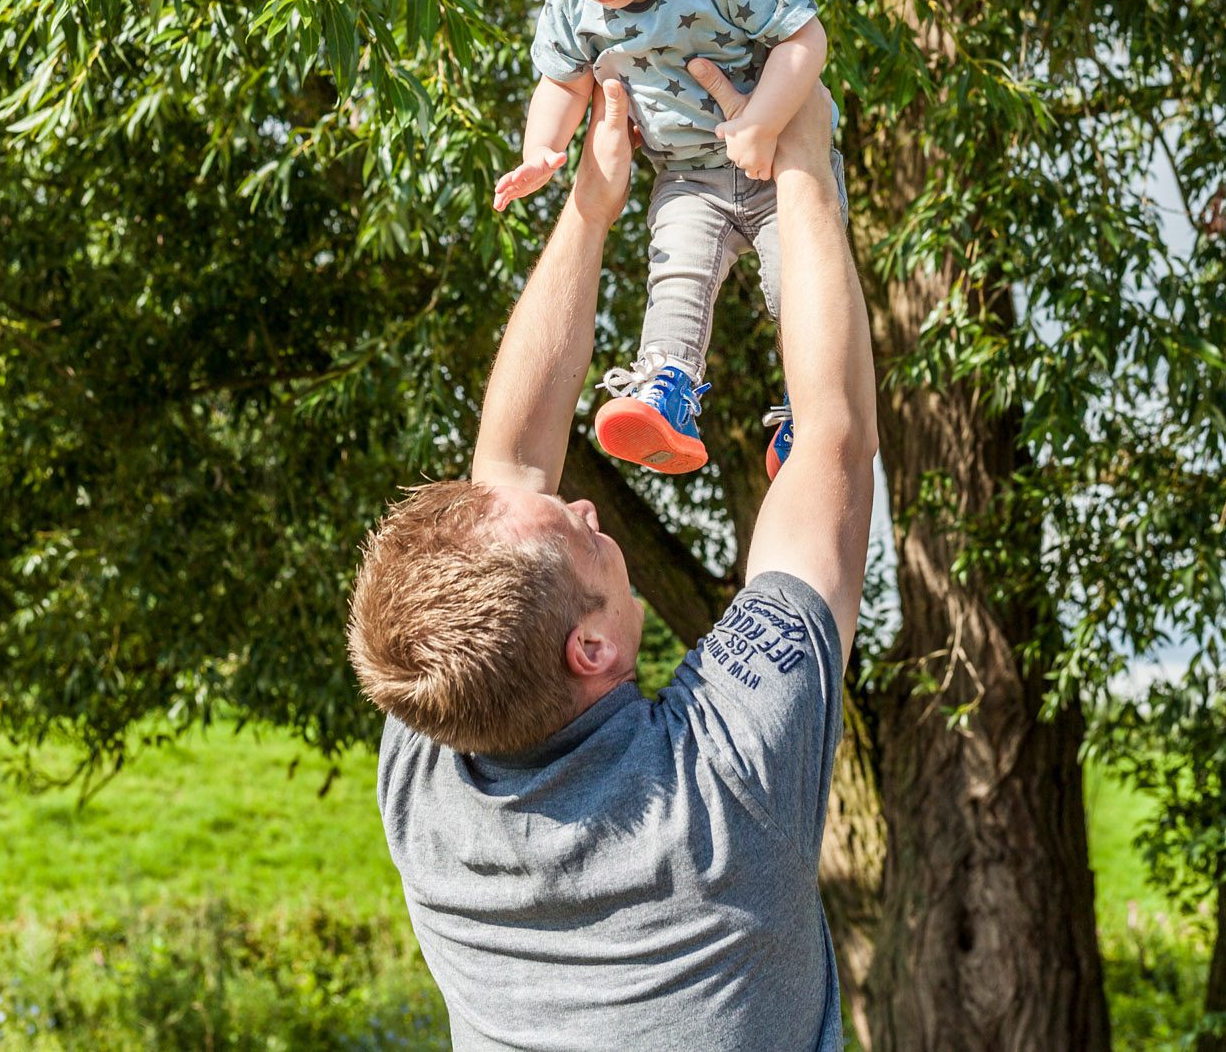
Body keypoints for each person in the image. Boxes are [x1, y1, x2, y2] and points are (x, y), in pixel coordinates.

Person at [347, 57, 878, 1051]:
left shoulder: (432, 743)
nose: (588, 509)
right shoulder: (720, 797)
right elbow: (835, 435)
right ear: (588, 648)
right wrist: (799, 152)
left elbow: (509, 468)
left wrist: (590, 205)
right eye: (579, 539)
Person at [489, 0, 839, 480]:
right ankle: (665, 395)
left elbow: (806, 37)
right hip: (688, 180)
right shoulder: (569, 6)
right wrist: (542, 150)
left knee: (795, 281)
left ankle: (812, 411)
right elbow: (563, 82)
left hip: (777, 165)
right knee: (676, 275)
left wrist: (764, 120)